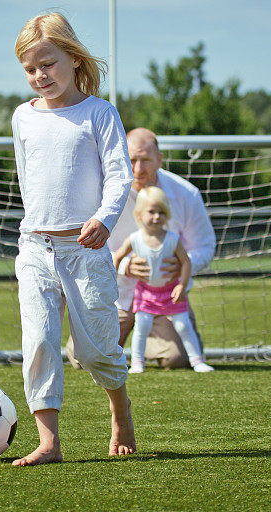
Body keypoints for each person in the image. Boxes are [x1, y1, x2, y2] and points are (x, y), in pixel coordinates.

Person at [10, 12, 135, 466]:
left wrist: (103, 219)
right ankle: (49, 442)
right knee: (39, 342)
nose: (40, 75)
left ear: (74, 58)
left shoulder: (99, 113)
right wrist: (32, 233)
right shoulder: (22, 117)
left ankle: (120, 411)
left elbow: (120, 177)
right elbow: (29, 183)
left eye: (48, 63)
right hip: (35, 249)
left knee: (95, 349)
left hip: (86, 250)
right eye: (29, 68)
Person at [67, 128, 216, 369]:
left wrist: (181, 264)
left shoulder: (186, 194)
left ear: (159, 159)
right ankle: (128, 335)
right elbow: (83, 244)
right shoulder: (102, 192)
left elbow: (205, 246)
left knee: (177, 359)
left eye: (145, 159)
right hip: (115, 295)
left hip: (164, 299)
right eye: (132, 160)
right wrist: (124, 265)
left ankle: (151, 340)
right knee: (81, 359)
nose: (138, 168)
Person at [112, 186, 215, 373]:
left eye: (161, 212)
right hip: (145, 293)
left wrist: (182, 285)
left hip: (170, 293)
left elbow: (186, 262)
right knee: (142, 326)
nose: (157, 217)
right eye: (151, 212)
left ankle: (197, 361)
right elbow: (117, 257)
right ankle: (137, 363)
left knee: (183, 325)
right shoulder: (134, 239)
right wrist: (117, 272)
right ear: (139, 214)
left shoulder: (172, 239)